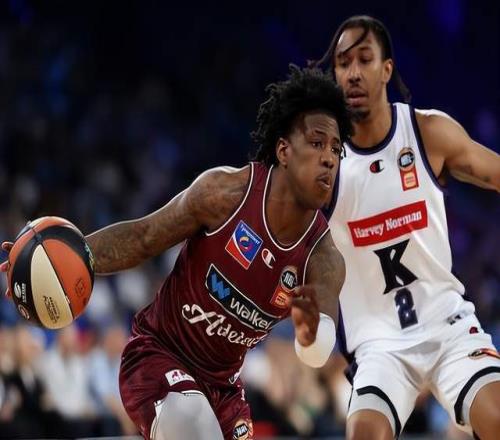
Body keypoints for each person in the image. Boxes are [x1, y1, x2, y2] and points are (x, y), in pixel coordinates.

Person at [2, 66, 352, 440]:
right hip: (158, 356)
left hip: (223, 390)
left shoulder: (324, 259)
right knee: (192, 419)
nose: (329, 158)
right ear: (283, 150)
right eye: (317, 143)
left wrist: (310, 336)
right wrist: (65, 259)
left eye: (336, 149)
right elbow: (143, 237)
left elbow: (318, 351)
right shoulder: (225, 194)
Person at [314, 15, 500, 440]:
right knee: (364, 434)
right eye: (343, 63)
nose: (353, 72)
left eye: (364, 59)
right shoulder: (324, 163)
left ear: (387, 69)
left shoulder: (427, 132)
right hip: (379, 345)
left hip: (446, 324)